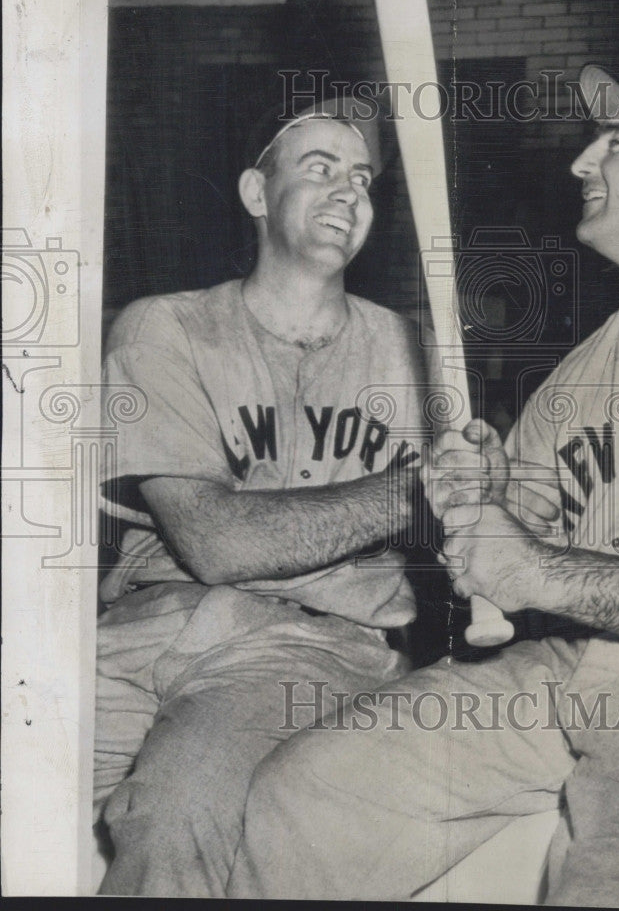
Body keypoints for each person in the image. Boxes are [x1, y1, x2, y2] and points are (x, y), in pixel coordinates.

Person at [227, 63, 619, 908]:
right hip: (580, 666)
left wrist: (536, 571)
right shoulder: (577, 378)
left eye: (618, 140)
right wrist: (475, 503)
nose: (581, 162)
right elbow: (502, 564)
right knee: (307, 793)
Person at [94, 97, 433, 896]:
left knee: (178, 810)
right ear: (256, 192)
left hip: (309, 644)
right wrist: (411, 493)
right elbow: (216, 542)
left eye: (362, 179)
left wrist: (480, 486)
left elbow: (479, 525)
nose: (348, 192)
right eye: (319, 168)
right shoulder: (163, 328)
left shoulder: (414, 351)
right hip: (142, 630)